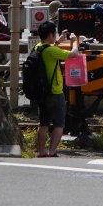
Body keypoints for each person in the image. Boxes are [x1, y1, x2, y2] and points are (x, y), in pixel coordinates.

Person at [32, 21, 77, 158]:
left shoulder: (38, 48)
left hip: (42, 92)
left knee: (43, 123)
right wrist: (74, 41)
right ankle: (51, 152)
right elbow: (73, 54)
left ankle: (41, 152)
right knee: (59, 124)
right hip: (55, 91)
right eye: (55, 34)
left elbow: (50, 49)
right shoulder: (52, 51)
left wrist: (58, 40)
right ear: (51, 34)